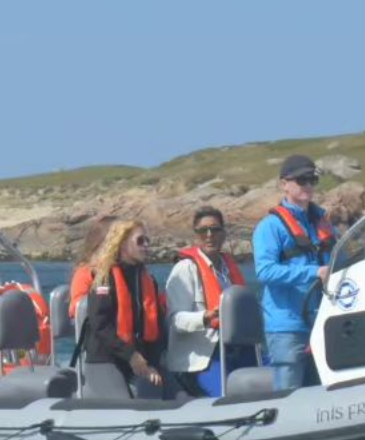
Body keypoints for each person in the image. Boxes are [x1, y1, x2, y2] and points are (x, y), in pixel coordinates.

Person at [251, 154, 334, 390]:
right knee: (289, 392)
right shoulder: (270, 227)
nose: (308, 185)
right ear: (284, 184)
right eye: (301, 180)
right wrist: (313, 272)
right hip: (287, 327)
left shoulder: (323, 223)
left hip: (323, 322)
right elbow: (265, 271)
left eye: (312, 180)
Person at [164, 206, 257, 397]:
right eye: (203, 230)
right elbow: (175, 320)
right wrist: (205, 318)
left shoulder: (228, 269)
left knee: (274, 371)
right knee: (227, 394)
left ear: (223, 233)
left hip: (236, 347)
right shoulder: (184, 269)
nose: (209, 235)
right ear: (195, 235)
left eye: (215, 230)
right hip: (203, 357)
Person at [79, 218, 168, 399]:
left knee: (172, 393)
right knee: (124, 405)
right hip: (105, 360)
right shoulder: (104, 279)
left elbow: (156, 328)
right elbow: (100, 325)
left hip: (137, 360)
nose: (146, 246)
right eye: (140, 241)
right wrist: (131, 355)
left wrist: (152, 364)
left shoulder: (147, 281)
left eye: (147, 241)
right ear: (123, 244)